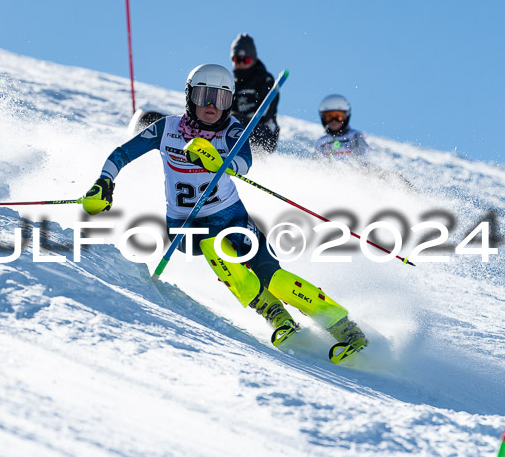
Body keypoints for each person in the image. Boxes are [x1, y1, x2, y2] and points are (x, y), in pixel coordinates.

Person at [81, 63, 367, 352]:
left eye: (220, 99)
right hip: (186, 224)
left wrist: (221, 163)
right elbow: (122, 153)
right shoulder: (166, 129)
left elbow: (244, 162)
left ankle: (342, 325)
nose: (210, 106)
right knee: (215, 249)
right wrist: (104, 183)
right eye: (203, 96)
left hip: (233, 217)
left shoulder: (231, 130)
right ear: (189, 97)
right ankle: (274, 314)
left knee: (275, 278)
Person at [230, 34, 280, 154]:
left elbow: (266, 113)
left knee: (235, 123)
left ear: (253, 60)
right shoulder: (233, 84)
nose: (241, 64)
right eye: (237, 60)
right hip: (240, 128)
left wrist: (238, 118)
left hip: (263, 132)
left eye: (245, 60)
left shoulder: (264, 80)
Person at [315, 94, 370, 160]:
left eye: (339, 117)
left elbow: (363, 160)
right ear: (323, 118)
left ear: (346, 117)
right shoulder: (321, 142)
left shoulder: (355, 136)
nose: (334, 121)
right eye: (329, 117)